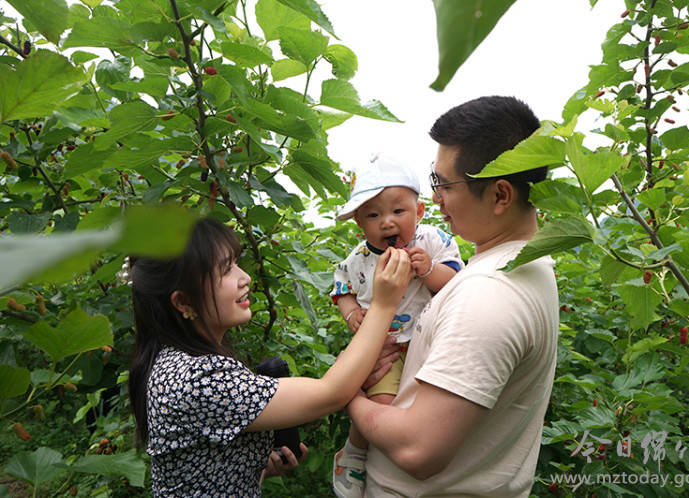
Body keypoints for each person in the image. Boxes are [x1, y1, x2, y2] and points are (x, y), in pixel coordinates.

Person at [346, 96, 560, 497]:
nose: (437, 198)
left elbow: (419, 449)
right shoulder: (523, 267)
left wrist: (349, 396)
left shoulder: (489, 295)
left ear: (500, 195)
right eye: (434, 180)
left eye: (445, 184)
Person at [127, 217, 413, 497]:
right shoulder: (194, 379)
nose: (245, 277)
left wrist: (256, 468)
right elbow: (330, 393)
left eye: (236, 263)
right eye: (226, 270)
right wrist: (384, 303)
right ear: (183, 301)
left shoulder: (176, 364)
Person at [330, 154, 464, 497]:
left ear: (419, 212)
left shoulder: (432, 242)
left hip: (428, 345)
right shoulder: (357, 260)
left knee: (427, 408)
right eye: (373, 215)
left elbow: (456, 282)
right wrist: (351, 315)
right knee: (384, 404)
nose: (387, 223)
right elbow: (341, 290)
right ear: (360, 223)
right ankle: (355, 453)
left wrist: (429, 269)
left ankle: (409, 455)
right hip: (383, 349)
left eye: (398, 212)